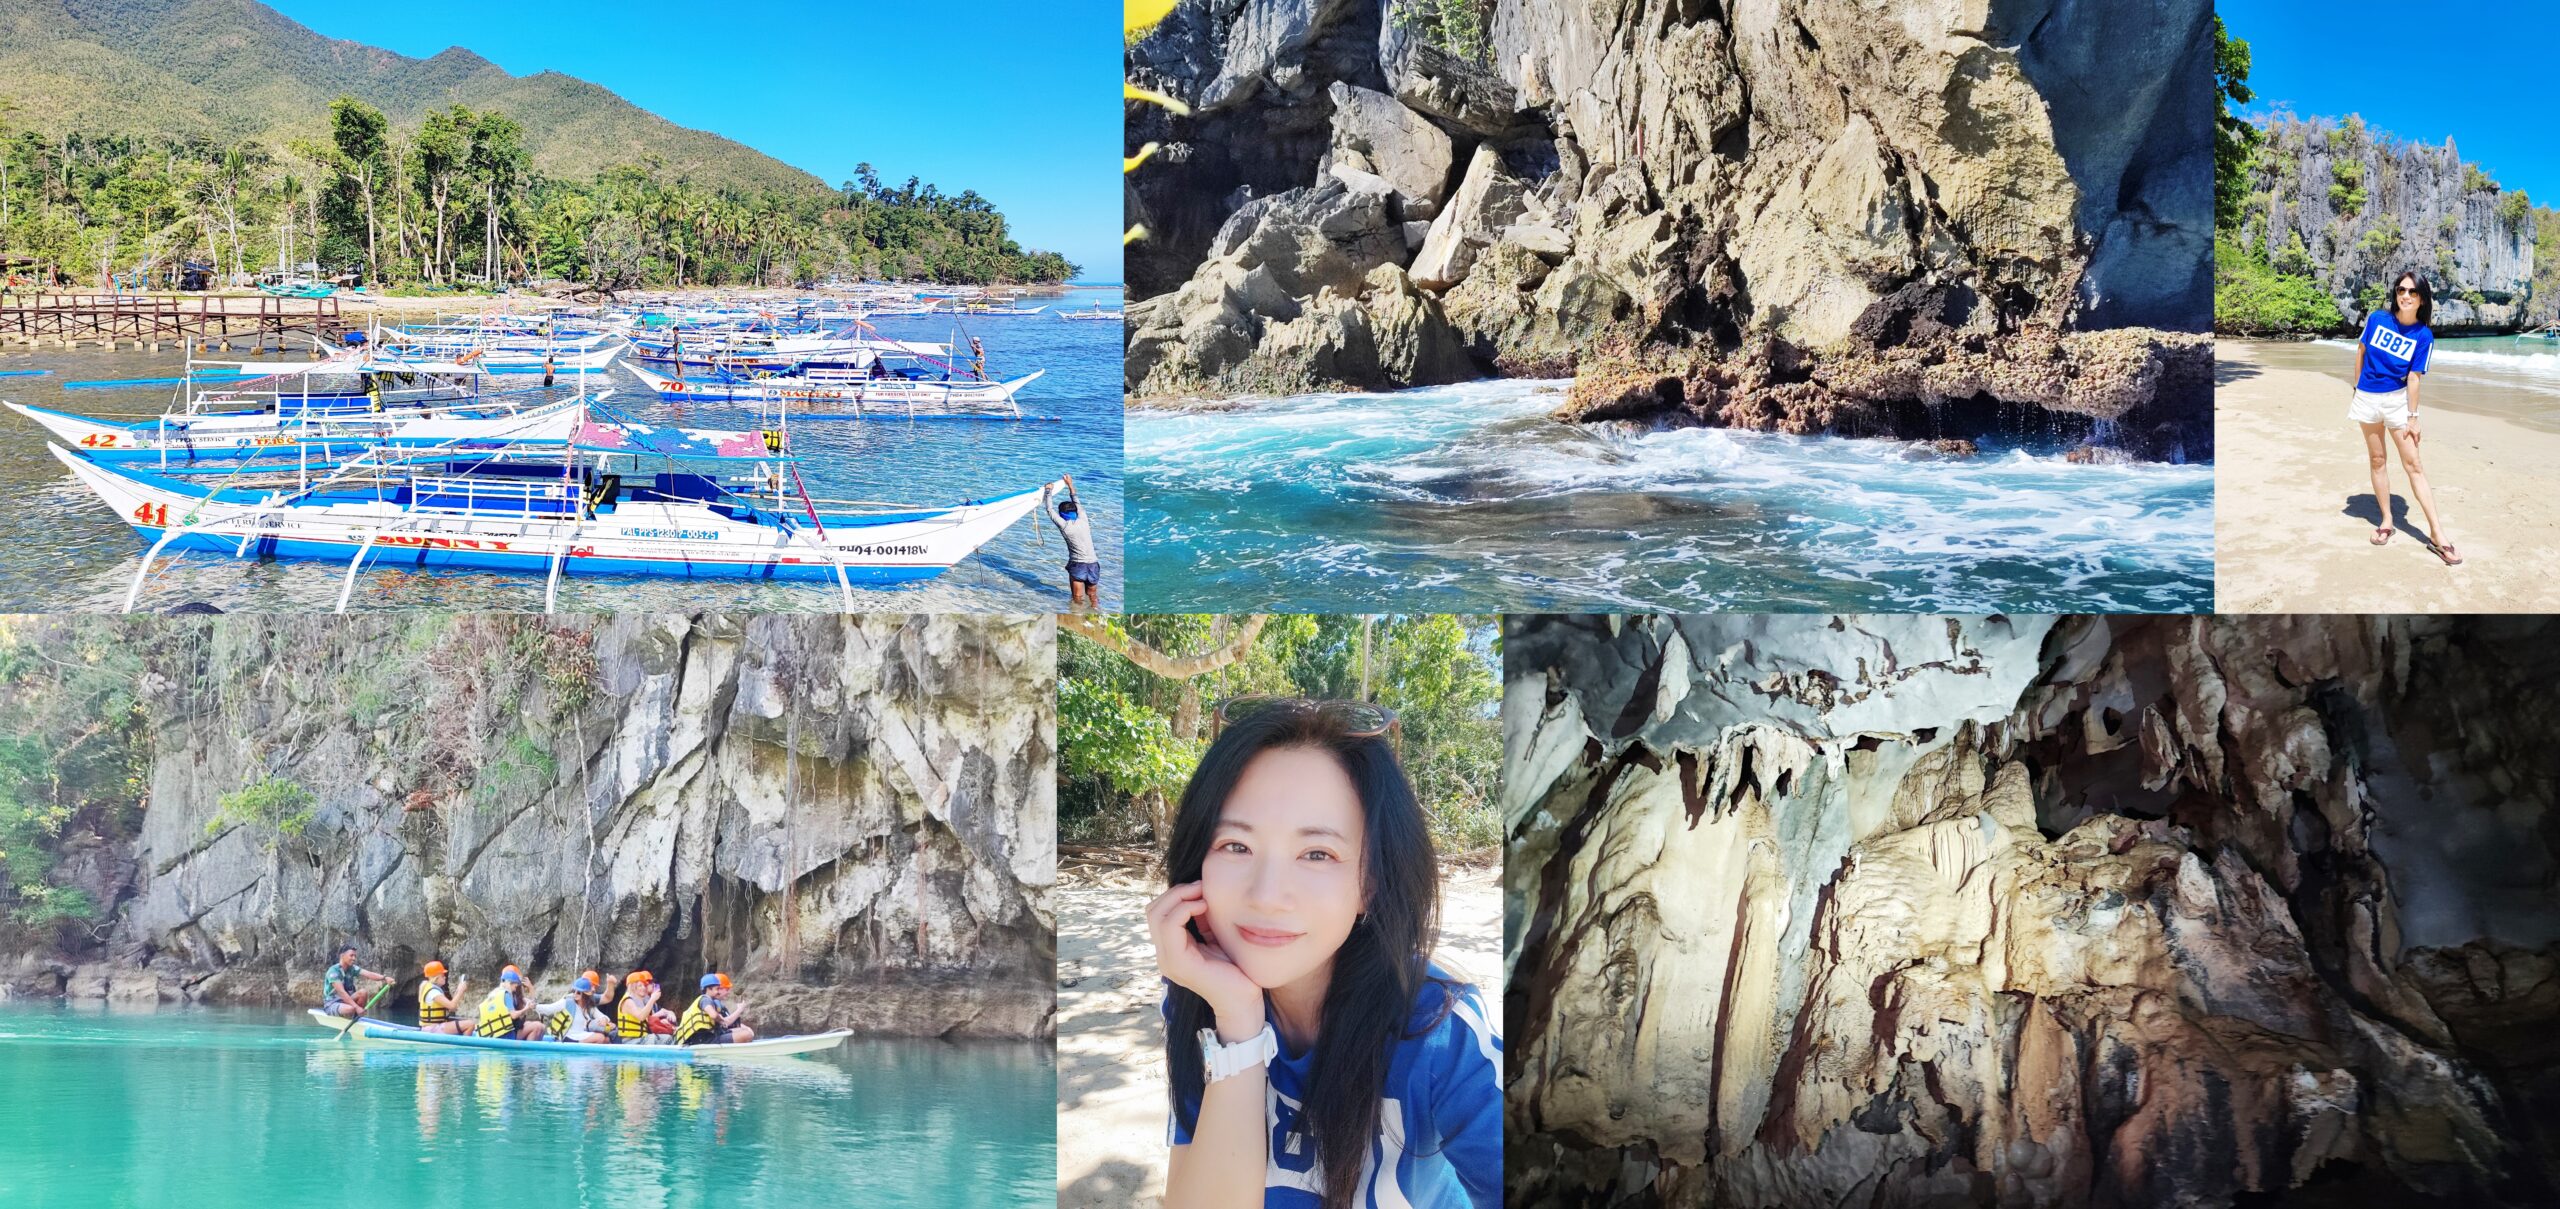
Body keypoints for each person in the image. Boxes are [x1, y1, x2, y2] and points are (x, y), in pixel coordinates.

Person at [1149, 698, 1501, 1209]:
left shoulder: (1439, 1034)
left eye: (1317, 854)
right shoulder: (1198, 993)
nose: (1267, 895)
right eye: (1236, 846)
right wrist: (1238, 1022)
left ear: (1371, 884)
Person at [2350, 269, 2460, 565]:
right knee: (2377, 460)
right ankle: (2387, 521)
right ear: (2395, 293)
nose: (2406, 296)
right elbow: (2361, 350)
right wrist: (2357, 386)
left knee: (2414, 464)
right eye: (2401, 290)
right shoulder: (2377, 319)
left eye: (2412, 292)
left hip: (2398, 402)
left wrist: (2413, 416)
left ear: (2422, 299)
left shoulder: (2423, 336)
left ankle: (2437, 535)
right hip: (2368, 399)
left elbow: (2414, 377)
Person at [1043, 476, 1100, 608]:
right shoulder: (1083, 519)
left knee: (1078, 599)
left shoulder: (1065, 526)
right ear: (1075, 511)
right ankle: (1097, 616)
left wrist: (1048, 491)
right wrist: (1070, 484)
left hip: (1078, 565)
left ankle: (1079, 618)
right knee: (1093, 597)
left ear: (1062, 514)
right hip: (1093, 564)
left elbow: (1049, 510)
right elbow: (1077, 501)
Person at [675, 973, 756, 1045]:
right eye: (717, 989)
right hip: (702, 1040)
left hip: (710, 1035)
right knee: (747, 1034)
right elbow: (713, 1015)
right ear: (709, 989)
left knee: (744, 1031)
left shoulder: (712, 1001)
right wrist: (721, 1020)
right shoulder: (705, 999)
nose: (718, 991)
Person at [538, 974, 618, 1045]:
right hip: (568, 1035)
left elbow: (600, 1015)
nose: (575, 994)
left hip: (581, 1034)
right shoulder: (567, 1001)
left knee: (606, 1040)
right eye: (574, 991)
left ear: (585, 994)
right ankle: (585, 1055)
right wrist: (534, 1006)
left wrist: (604, 1019)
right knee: (600, 1037)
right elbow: (548, 1009)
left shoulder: (588, 1005)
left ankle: (593, 1060)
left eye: (578, 992)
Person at [473, 965, 546, 1041]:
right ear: (510, 982)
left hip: (495, 1033)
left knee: (532, 1025)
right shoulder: (506, 995)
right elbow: (514, 1015)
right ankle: (526, 1051)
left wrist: (531, 988)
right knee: (538, 1026)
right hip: (505, 1035)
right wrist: (526, 1008)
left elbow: (532, 1004)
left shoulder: (495, 994)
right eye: (516, 983)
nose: (517, 985)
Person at [320, 946, 394, 1019]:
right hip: (332, 1003)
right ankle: (354, 1013)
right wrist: (357, 1007)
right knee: (350, 1009)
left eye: (355, 956)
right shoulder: (333, 971)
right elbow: (342, 992)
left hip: (346, 1002)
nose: (354, 958)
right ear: (342, 956)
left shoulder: (352, 968)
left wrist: (385, 978)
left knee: (363, 992)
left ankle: (356, 1017)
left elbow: (369, 974)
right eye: (351, 956)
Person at [617, 970, 677, 1044]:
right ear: (632, 987)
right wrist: (652, 999)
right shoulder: (628, 1001)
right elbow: (641, 1017)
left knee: (668, 1038)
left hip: (641, 1038)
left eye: (644, 985)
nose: (643, 988)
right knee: (653, 1038)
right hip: (631, 1040)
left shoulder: (638, 1001)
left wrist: (662, 1021)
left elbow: (648, 1019)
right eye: (640, 986)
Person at [416, 961, 467, 1034]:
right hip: (433, 1029)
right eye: (443, 975)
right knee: (470, 1024)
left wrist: (458, 991)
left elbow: (452, 1008)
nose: (445, 977)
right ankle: (464, 1044)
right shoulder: (433, 992)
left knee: (466, 1023)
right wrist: (460, 991)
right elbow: (452, 1006)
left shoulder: (433, 989)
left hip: (434, 1027)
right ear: (436, 977)